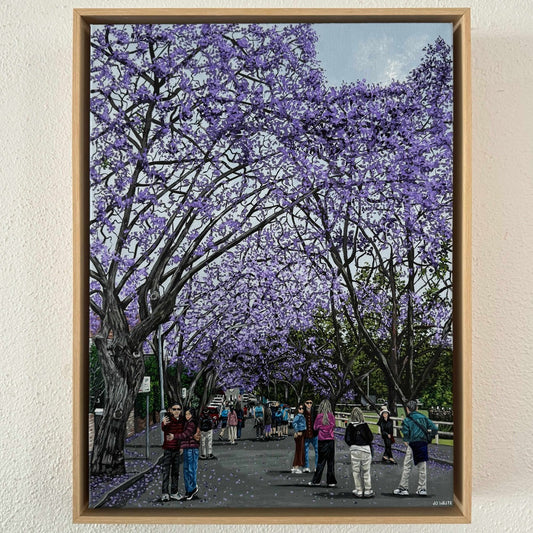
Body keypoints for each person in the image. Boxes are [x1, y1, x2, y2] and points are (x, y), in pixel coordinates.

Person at [394, 400, 438, 497]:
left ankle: (403, 488)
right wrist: (430, 436)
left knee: (407, 466)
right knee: (422, 467)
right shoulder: (423, 418)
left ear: (407, 409)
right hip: (422, 443)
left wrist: (406, 440)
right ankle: (422, 488)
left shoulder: (407, 420)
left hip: (412, 444)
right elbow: (435, 429)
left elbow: (405, 433)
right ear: (417, 408)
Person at [344, 407, 375, 498]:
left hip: (355, 449)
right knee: (366, 471)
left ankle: (359, 490)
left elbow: (347, 439)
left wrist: (352, 444)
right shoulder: (365, 426)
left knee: (356, 471)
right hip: (365, 449)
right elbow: (370, 438)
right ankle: (368, 490)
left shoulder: (350, 426)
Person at [308, 399, 337, 487]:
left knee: (321, 462)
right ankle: (331, 481)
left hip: (322, 441)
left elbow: (315, 427)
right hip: (330, 440)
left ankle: (316, 480)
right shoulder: (331, 416)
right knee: (330, 462)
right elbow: (334, 426)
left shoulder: (319, 416)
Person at [173, 407, 200, 501]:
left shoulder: (192, 423)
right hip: (187, 448)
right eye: (186, 414)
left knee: (190, 469)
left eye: (188, 414)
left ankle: (192, 489)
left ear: (192, 415)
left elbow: (185, 434)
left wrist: (174, 436)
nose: (187, 416)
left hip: (191, 449)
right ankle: (189, 489)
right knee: (186, 470)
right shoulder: (187, 423)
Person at [160, 403, 184, 501]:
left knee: (175, 472)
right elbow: (164, 428)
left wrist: (181, 446)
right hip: (168, 450)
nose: (176, 411)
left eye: (178, 409)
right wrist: (163, 423)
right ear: (170, 410)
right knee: (166, 472)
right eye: (174, 409)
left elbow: (182, 434)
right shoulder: (168, 420)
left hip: (177, 450)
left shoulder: (181, 421)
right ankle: (165, 493)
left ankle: (174, 492)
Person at [302, 398, 318, 472]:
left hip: (314, 434)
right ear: (305, 404)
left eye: (310, 403)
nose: (309, 404)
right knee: (305, 451)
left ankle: (317, 466)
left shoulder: (315, 412)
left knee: (317, 450)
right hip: (305, 434)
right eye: (307, 403)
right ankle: (306, 466)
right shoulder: (302, 412)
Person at [291, 404, 306, 474]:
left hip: (302, 433)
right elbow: (294, 423)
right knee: (299, 451)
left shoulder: (301, 416)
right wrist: (297, 431)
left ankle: (295, 466)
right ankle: (296, 467)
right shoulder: (298, 416)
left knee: (299, 450)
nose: (302, 410)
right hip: (300, 433)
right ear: (298, 409)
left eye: (303, 408)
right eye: (300, 408)